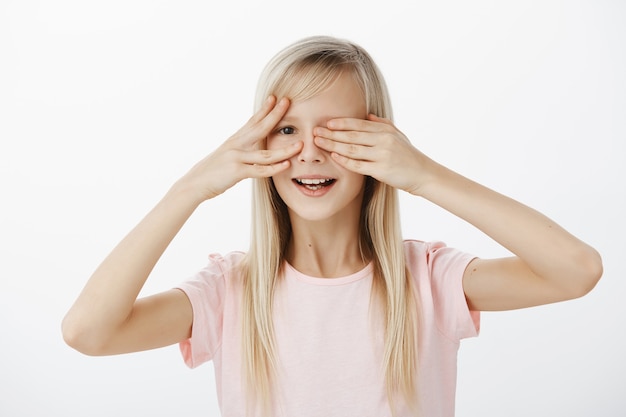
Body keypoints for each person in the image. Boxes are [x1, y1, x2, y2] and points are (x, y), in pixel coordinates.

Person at [62, 35, 603, 417]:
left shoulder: (428, 279)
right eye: (288, 129)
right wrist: (190, 189)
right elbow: (88, 332)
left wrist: (424, 175)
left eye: (336, 132)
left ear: (379, 146)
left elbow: (575, 271)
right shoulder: (231, 291)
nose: (310, 153)